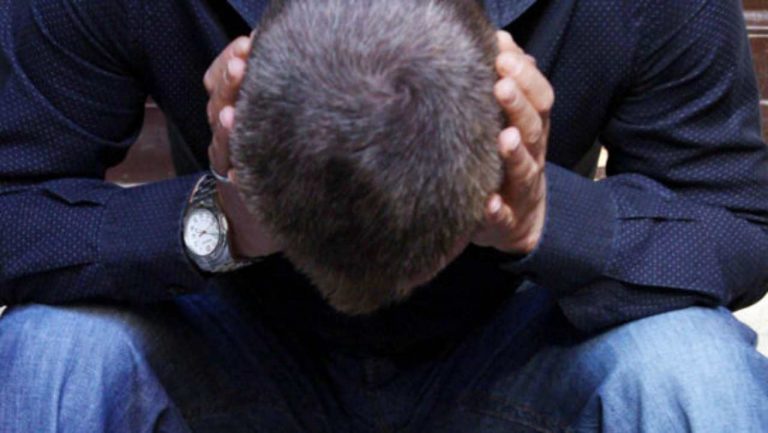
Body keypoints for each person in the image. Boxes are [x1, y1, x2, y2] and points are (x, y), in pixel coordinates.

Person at [0, 0, 766, 432]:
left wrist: (539, 218)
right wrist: (220, 221)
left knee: (690, 369)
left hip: (516, 342)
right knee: (52, 351)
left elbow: (737, 216)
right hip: (241, 338)